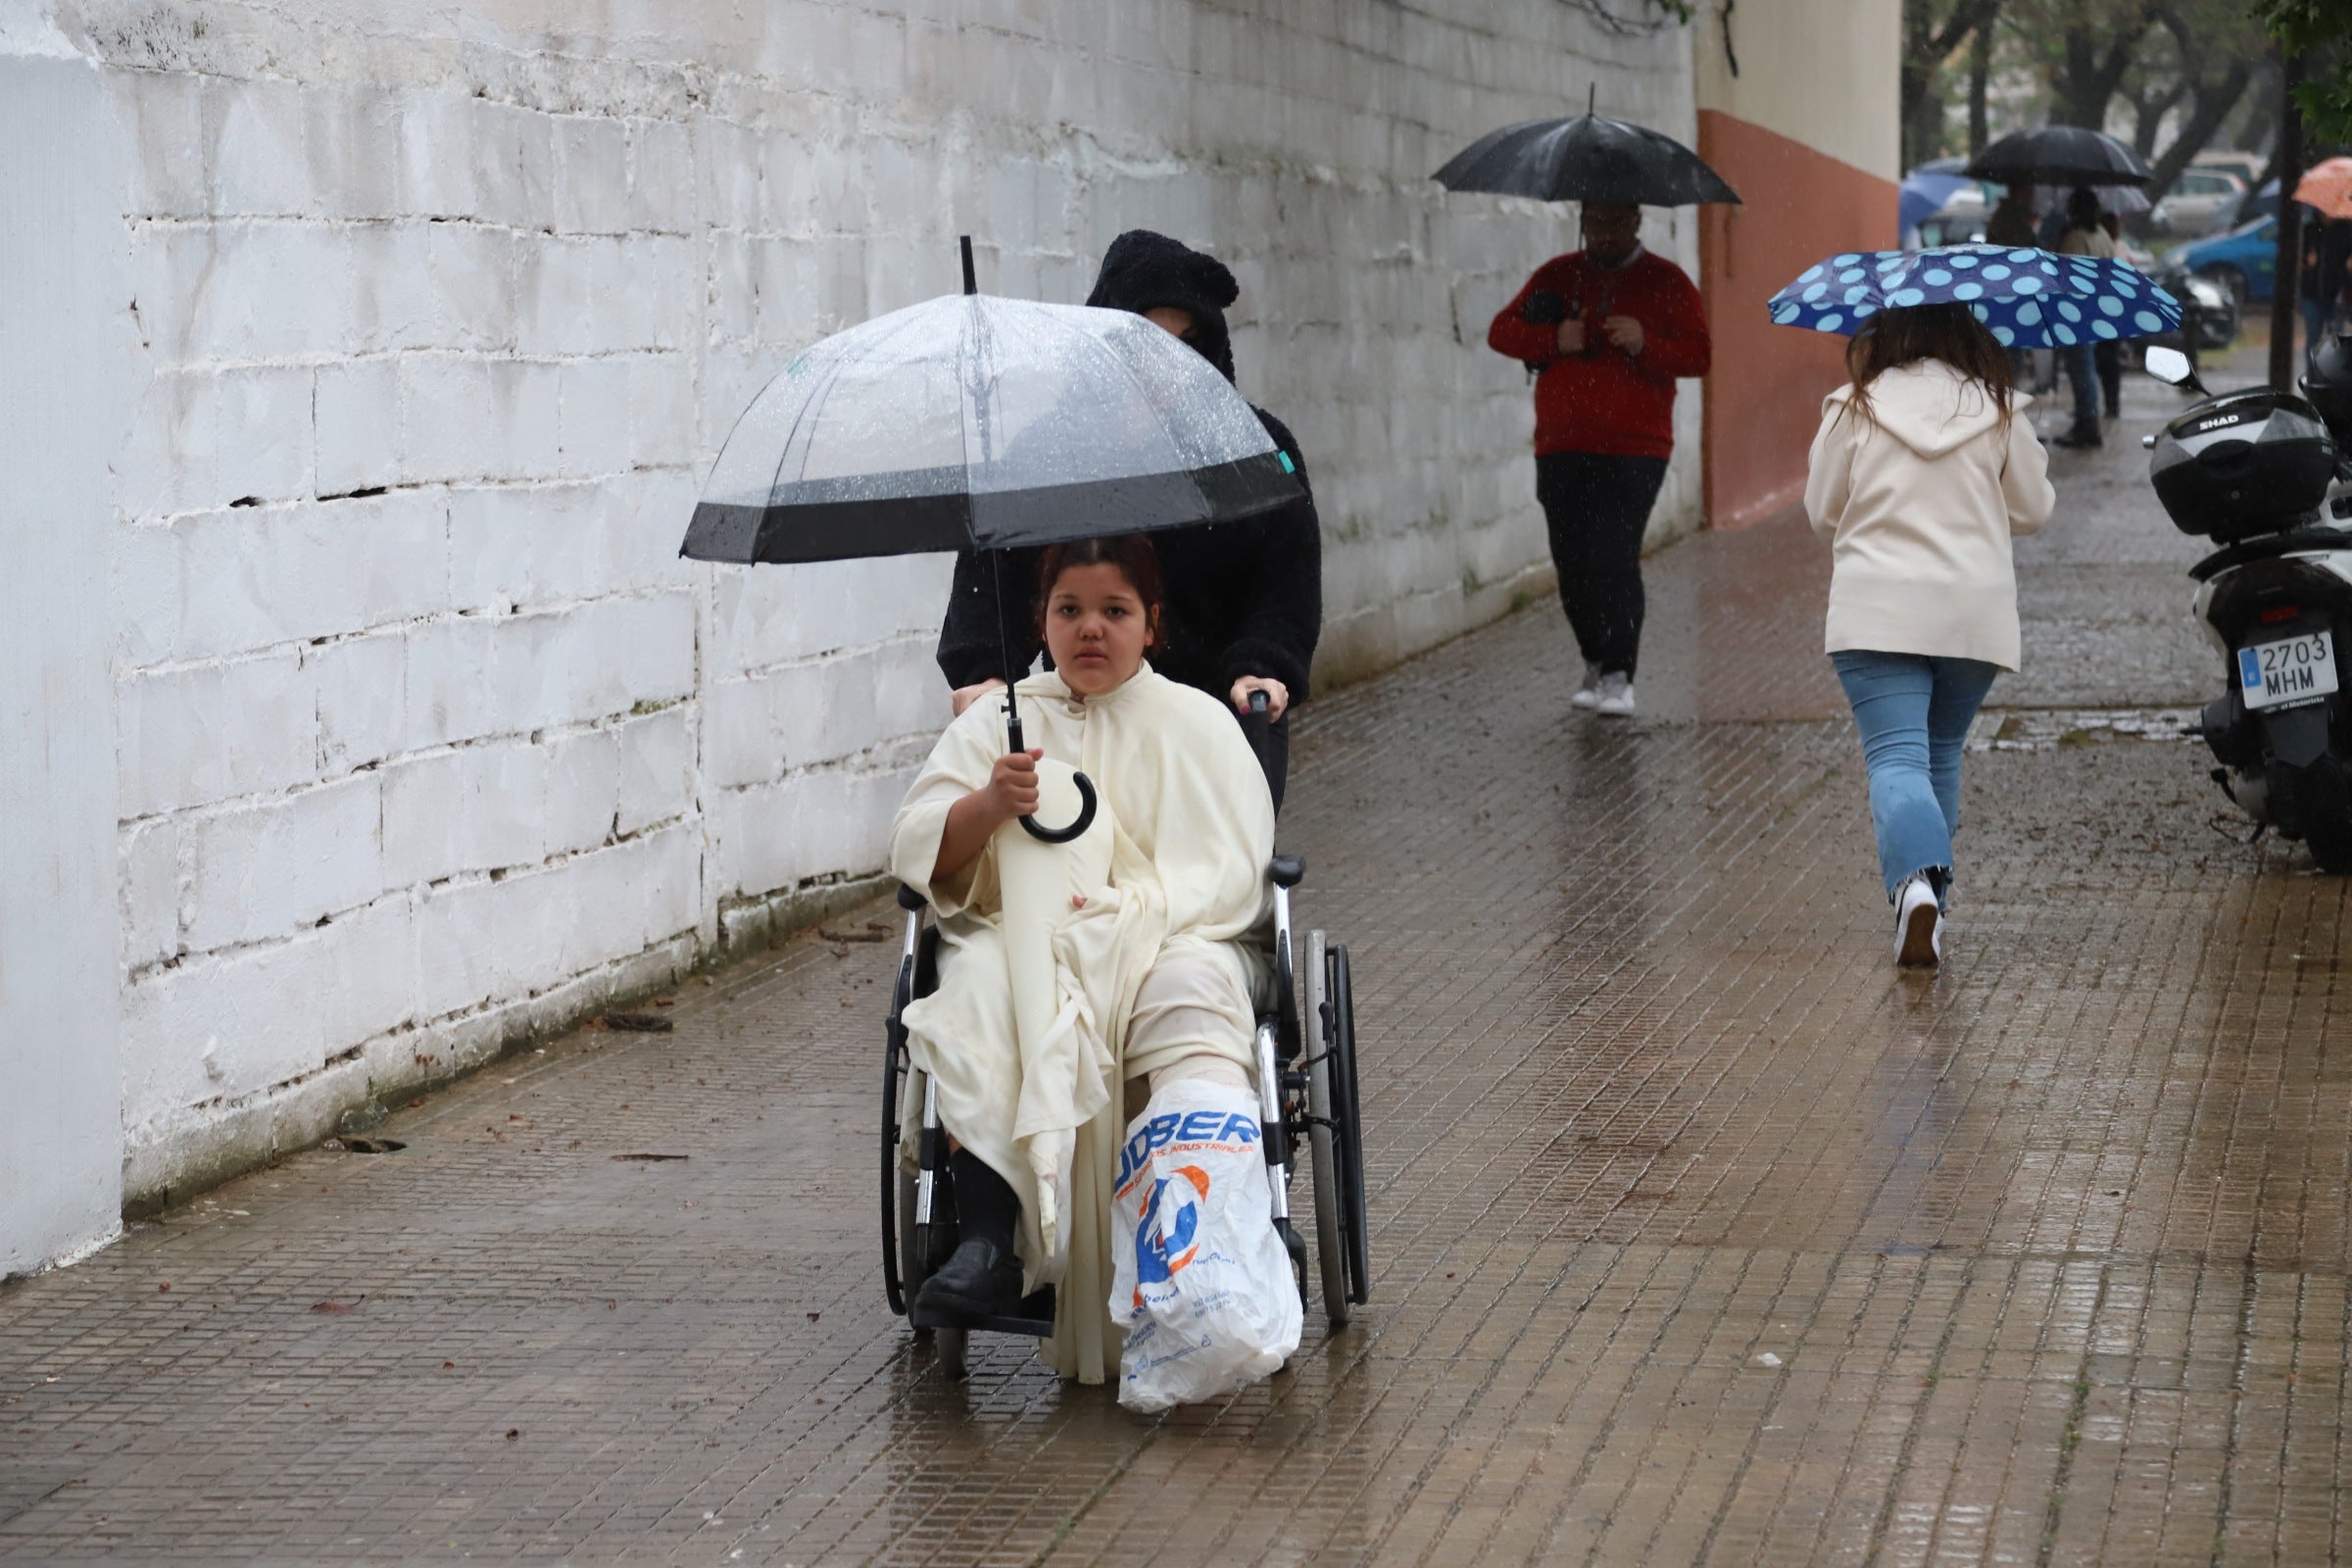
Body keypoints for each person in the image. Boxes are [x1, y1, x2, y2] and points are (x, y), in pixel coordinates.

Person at [891, 535, 1276, 1383]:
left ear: (1154, 624)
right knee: (981, 982)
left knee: (1191, 985)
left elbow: (1229, 876)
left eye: (1115, 611)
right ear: (1041, 619)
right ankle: (994, 1237)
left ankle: (1205, 1252)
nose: (1090, 630)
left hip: (1164, 934)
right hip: (1018, 938)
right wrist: (991, 803)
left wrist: (1121, 917)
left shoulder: (1199, 725)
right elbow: (920, 851)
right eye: (1069, 610)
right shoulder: (1001, 721)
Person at [934, 230, 1322, 809]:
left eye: (1187, 346)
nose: (1167, 369)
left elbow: (1285, 583)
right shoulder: (1047, 453)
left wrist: (1263, 667)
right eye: (1143, 345)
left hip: (1215, 723)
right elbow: (992, 576)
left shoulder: (1254, 449)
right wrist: (987, 671)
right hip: (1078, 721)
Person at [1804, 303, 2055, 967]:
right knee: (1940, 751)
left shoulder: (1853, 407)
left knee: (1895, 757)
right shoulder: (2001, 409)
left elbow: (1822, 511)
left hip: (1876, 608)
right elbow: (2033, 510)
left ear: (1888, 333)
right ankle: (1931, 906)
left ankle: (1914, 885)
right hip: (1972, 612)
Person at [1486, 202, 1711, 717]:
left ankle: (1618, 673)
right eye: (1596, 222)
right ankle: (1593, 659)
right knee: (1571, 561)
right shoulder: (1557, 275)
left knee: (1613, 555)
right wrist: (1554, 338)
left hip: (1636, 447)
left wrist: (1645, 342)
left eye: (1615, 222)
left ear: (1635, 221)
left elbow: (1699, 355)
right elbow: (1502, 331)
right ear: (1584, 220)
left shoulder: (1667, 282)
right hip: (1562, 445)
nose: (1604, 234)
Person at [2050, 188, 2115, 450]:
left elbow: (2065, 275)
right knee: (2087, 365)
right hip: (2098, 307)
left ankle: (2087, 423)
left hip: (2076, 311)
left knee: (2081, 367)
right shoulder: (2102, 235)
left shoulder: (2075, 238)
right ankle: (2088, 420)